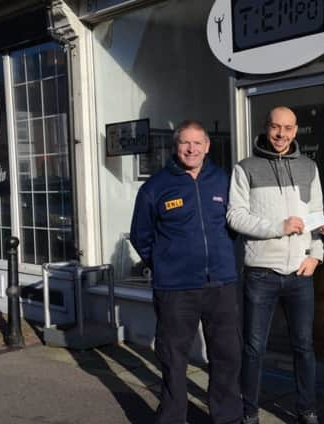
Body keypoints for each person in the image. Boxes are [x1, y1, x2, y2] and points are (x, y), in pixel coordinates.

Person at [227, 106, 324, 424]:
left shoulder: (308, 168)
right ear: (266, 127)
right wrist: (279, 226)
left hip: (300, 273)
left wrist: (317, 255)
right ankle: (249, 412)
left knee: (304, 347)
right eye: (276, 127)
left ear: (296, 130)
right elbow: (235, 216)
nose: (281, 134)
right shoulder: (245, 167)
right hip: (261, 273)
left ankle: (307, 409)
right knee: (254, 348)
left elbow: (316, 214)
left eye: (288, 128)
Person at [130, 120, 241, 424]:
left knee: (226, 356)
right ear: (176, 146)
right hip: (175, 289)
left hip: (220, 284)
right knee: (173, 358)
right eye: (185, 143)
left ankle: (227, 417)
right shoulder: (155, 187)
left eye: (197, 143)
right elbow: (141, 236)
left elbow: (236, 224)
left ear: (207, 147)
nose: (191, 149)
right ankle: (172, 417)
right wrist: (164, 263)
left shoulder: (223, 181)